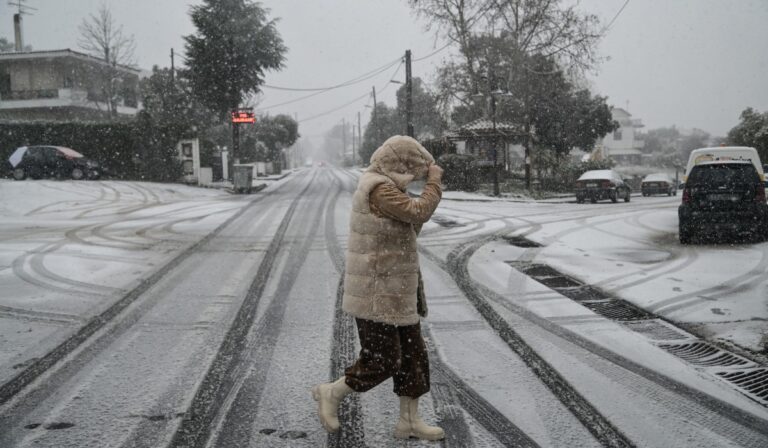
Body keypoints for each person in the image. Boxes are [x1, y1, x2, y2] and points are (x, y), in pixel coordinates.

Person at [312, 135, 445, 441]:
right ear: (399, 164)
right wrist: (434, 183)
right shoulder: (378, 188)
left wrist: (424, 193)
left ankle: (409, 421)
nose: (416, 175)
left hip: (398, 290)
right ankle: (332, 392)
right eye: (413, 169)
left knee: (414, 357)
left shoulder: (388, 187)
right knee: (382, 359)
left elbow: (410, 226)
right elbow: (419, 212)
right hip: (376, 293)